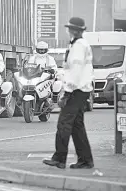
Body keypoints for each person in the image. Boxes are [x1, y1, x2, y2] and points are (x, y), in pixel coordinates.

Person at [43, 17, 94, 169]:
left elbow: (75, 71)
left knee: (64, 124)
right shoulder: (80, 44)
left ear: (74, 30)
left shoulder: (78, 46)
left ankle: (59, 159)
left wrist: (67, 91)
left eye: (70, 28)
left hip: (76, 90)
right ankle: (85, 160)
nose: (68, 31)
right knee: (77, 126)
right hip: (81, 90)